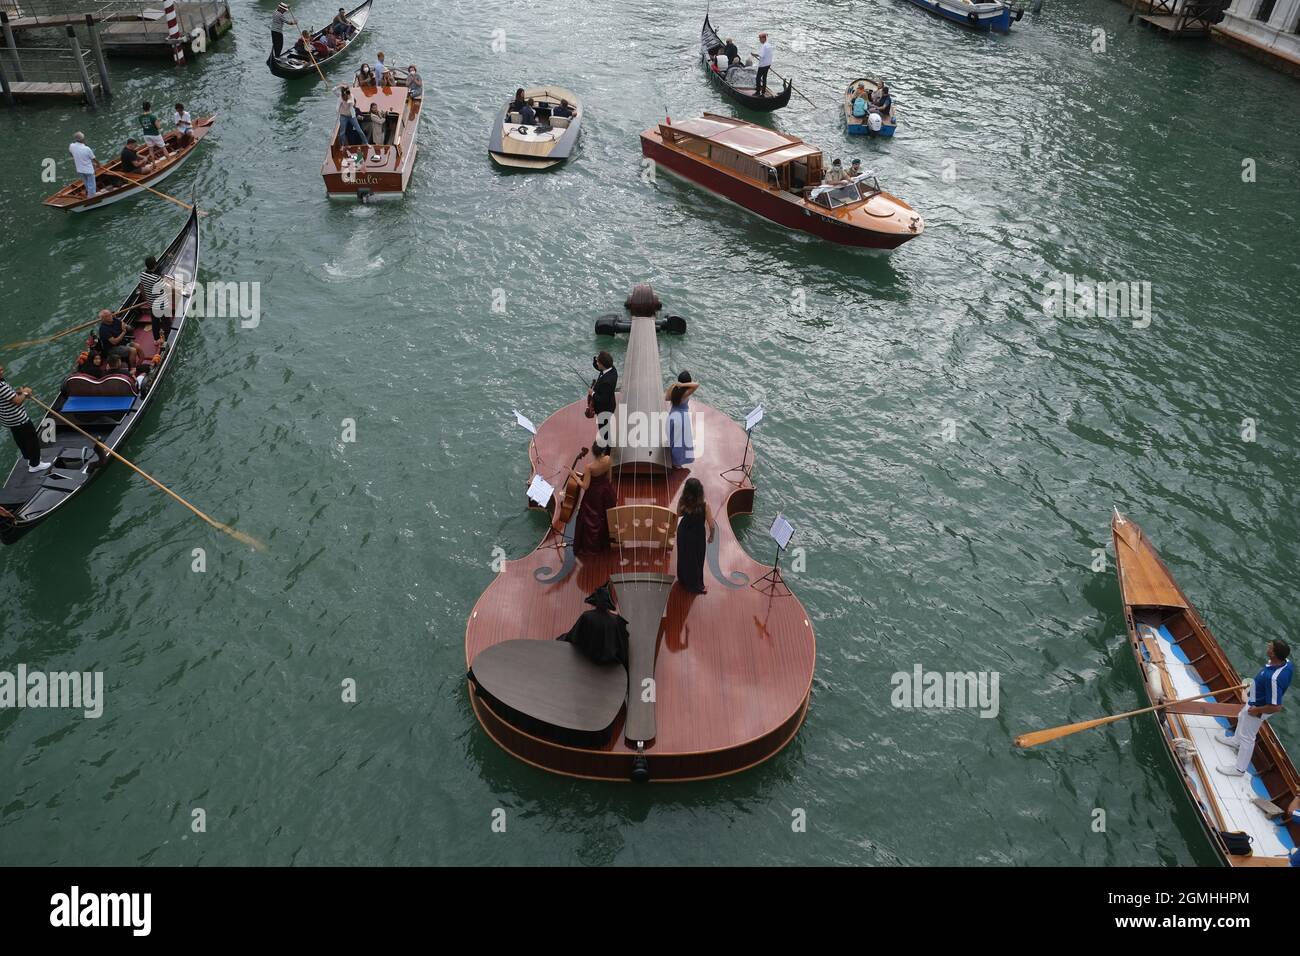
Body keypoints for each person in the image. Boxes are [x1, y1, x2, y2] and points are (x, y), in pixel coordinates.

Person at [1216, 640, 1293, 777]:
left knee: (1248, 738)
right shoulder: (1286, 662)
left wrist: (1257, 710)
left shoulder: (1274, 679)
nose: (1267, 647)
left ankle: (1239, 769)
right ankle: (1235, 741)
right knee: (1242, 716)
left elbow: (1276, 707)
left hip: (1260, 707)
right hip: (1255, 700)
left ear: (1274, 654)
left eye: (1270, 647)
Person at [557, 583, 629, 668]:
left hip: (589, 659)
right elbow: (623, 642)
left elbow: (574, 636)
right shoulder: (616, 620)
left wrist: (561, 638)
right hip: (611, 663)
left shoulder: (587, 616)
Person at [0, 365, 50, 475]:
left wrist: (18, 393)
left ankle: (29, 458)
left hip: (9, 420)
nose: (2, 371)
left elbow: (7, 397)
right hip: (18, 418)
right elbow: (17, 401)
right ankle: (35, 465)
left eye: (1, 368)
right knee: (32, 440)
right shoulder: (1, 386)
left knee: (21, 440)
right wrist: (25, 393)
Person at [571, 442, 616, 554]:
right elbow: (609, 478)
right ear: (603, 450)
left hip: (593, 496)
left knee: (589, 518)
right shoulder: (608, 459)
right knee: (604, 516)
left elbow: (585, 486)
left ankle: (591, 545)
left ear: (593, 452)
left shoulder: (589, 467)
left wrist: (574, 476)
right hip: (606, 491)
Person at [675, 478, 716, 595]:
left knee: (683, 556)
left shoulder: (683, 501)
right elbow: (711, 526)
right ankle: (696, 585)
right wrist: (711, 537)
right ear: (700, 491)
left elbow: (678, 515)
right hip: (696, 536)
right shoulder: (705, 506)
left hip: (683, 533)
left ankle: (683, 579)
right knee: (696, 560)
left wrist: (681, 502)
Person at [665, 371, 699, 469]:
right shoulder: (686, 392)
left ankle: (669, 457)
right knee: (680, 442)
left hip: (672, 416)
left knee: (672, 438)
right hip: (681, 419)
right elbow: (696, 384)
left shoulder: (674, 390)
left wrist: (675, 385)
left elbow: (666, 398)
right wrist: (683, 384)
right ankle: (676, 462)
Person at [588, 350, 617, 440]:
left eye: (598, 362)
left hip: (605, 409)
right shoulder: (611, 369)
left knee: (604, 430)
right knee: (605, 427)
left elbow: (602, 399)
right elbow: (599, 367)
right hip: (609, 404)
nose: (597, 364)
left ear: (602, 365)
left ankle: (607, 449)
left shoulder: (607, 382)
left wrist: (592, 393)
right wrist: (595, 360)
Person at [69, 132, 97, 198]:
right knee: (92, 185)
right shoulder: (87, 149)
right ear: (83, 139)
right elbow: (94, 159)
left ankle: (88, 192)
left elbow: (72, 154)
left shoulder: (71, 146)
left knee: (86, 183)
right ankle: (91, 197)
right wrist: (98, 164)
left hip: (79, 170)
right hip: (88, 170)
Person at [755, 31, 773, 96]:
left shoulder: (764, 46)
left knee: (758, 78)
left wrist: (755, 54)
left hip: (762, 65)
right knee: (764, 78)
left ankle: (757, 92)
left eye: (760, 38)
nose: (759, 40)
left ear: (764, 38)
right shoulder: (769, 45)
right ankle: (763, 91)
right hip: (768, 64)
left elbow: (761, 55)